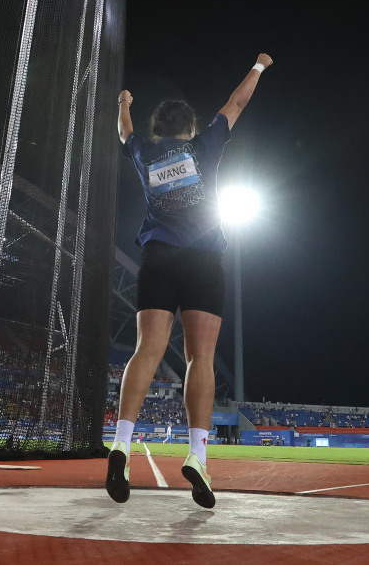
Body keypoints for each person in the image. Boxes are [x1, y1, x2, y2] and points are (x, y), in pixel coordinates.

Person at [105, 53, 273, 507]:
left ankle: (120, 443)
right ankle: (197, 456)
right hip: (203, 260)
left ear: (158, 129)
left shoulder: (143, 149)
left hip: (158, 256)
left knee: (148, 349)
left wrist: (124, 102)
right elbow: (236, 103)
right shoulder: (205, 146)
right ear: (191, 128)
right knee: (201, 356)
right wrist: (257, 67)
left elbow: (125, 133)